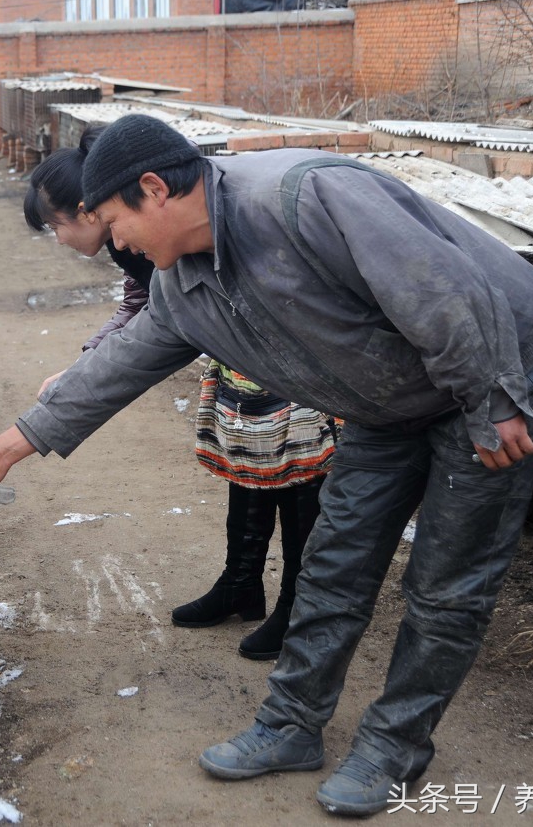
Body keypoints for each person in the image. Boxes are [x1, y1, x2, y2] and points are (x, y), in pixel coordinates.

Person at [0, 113, 533, 817]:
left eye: (115, 222)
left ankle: (396, 744)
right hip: (389, 401)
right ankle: (292, 724)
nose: (116, 242)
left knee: (448, 579)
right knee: (335, 560)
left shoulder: (303, 196)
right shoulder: (182, 285)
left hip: (492, 364)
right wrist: (9, 446)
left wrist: (494, 399)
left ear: (154, 189)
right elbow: (120, 364)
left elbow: (442, 291)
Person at [23, 132, 334, 659]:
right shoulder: (128, 244)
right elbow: (143, 305)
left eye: (56, 226)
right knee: (248, 467)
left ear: (89, 210)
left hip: (288, 355)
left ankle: (299, 607)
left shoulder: (166, 219)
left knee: (297, 473)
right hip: (241, 359)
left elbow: (164, 313)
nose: (58, 240)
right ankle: (242, 584)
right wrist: (84, 368)